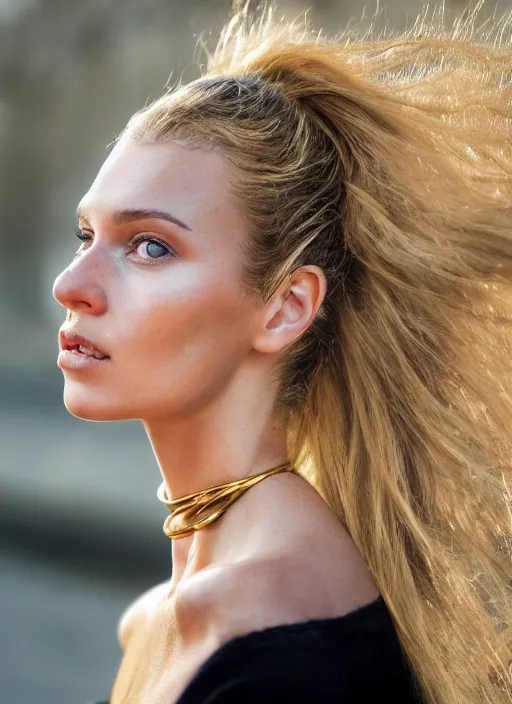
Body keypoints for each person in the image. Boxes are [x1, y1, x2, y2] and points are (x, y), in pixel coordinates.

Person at [53, 3, 512, 703]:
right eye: (88, 236)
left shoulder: (281, 651)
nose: (72, 285)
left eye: (151, 246)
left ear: (286, 307)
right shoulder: (165, 616)